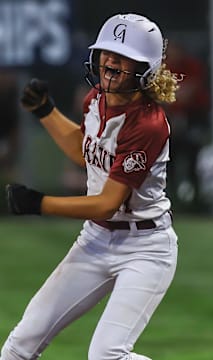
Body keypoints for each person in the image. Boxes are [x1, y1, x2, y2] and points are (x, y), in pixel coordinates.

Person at [2, 13, 180, 360]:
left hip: (145, 248)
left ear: (145, 68)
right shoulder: (96, 99)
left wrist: (40, 204)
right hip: (96, 240)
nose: (110, 60)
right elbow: (85, 151)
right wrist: (46, 111)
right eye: (106, 52)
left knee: (106, 354)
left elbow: (106, 203)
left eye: (122, 55)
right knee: (19, 345)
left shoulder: (147, 123)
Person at [163, 41, 210, 204]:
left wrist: (173, 96)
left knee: (192, 158)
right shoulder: (163, 68)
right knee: (169, 160)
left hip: (193, 117)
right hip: (169, 118)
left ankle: (196, 200)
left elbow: (190, 91)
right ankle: (171, 198)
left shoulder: (192, 66)